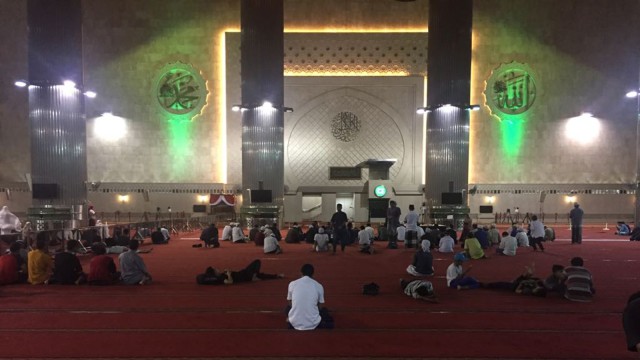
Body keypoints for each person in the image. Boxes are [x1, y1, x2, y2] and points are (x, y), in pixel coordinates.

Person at [286, 264, 333, 330]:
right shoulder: (318, 286)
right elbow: (320, 306)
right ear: (313, 274)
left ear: (301, 273)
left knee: (287, 309)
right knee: (325, 311)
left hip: (294, 322)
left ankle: (292, 319)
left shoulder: (292, 284)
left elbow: (290, 302)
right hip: (313, 323)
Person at [196, 259, 283, 285]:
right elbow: (230, 282)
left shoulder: (221, 275)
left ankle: (276, 276)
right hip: (245, 275)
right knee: (257, 262)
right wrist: (229, 274)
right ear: (214, 273)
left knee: (261, 275)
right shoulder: (220, 278)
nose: (218, 269)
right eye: (216, 269)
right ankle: (254, 276)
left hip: (244, 274)